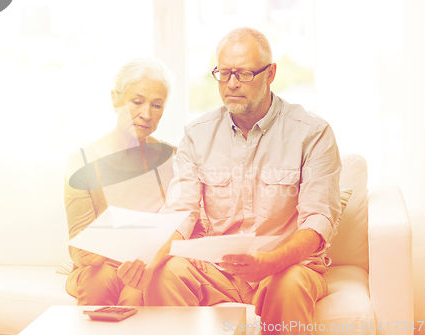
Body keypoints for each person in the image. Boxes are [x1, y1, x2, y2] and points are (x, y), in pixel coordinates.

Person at [140, 27, 342, 334]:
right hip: (219, 270)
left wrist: (271, 262)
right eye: (224, 73)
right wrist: (150, 258)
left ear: (270, 73)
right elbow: (181, 211)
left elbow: (318, 222)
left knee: (288, 285)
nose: (231, 84)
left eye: (244, 74)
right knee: (164, 273)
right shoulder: (197, 134)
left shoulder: (312, 132)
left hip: (285, 267)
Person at [63, 58, 177, 306]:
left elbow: (185, 225)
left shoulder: (173, 158)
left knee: (136, 292)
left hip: (149, 264)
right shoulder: (82, 161)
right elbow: (77, 243)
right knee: (100, 279)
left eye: (156, 105)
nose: (146, 114)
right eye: (137, 102)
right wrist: (86, 254)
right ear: (115, 99)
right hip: (101, 267)